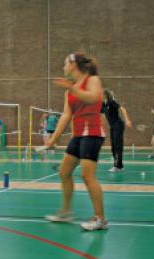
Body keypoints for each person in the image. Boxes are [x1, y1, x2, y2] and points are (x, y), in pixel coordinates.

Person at [42, 52, 108, 231]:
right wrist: (52, 140)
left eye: (65, 64)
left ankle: (100, 218)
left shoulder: (92, 80)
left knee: (87, 176)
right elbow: (66, 115)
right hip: (78, 135)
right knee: (64, 172)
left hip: (92, 133)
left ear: (73, 65)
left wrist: (73, 89)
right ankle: (66, 212)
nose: (63, 68)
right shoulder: (69, 90)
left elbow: (94, 98)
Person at [101, 89, 133, 172]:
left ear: (105, 95)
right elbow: (99, 114)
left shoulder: (111, 102)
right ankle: (120, 166)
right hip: (112, 126)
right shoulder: (103, 104)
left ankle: (117, 166)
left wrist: (127, 120)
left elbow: (123, 109)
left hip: (118, 124)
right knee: (113, 147)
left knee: (117, 146)